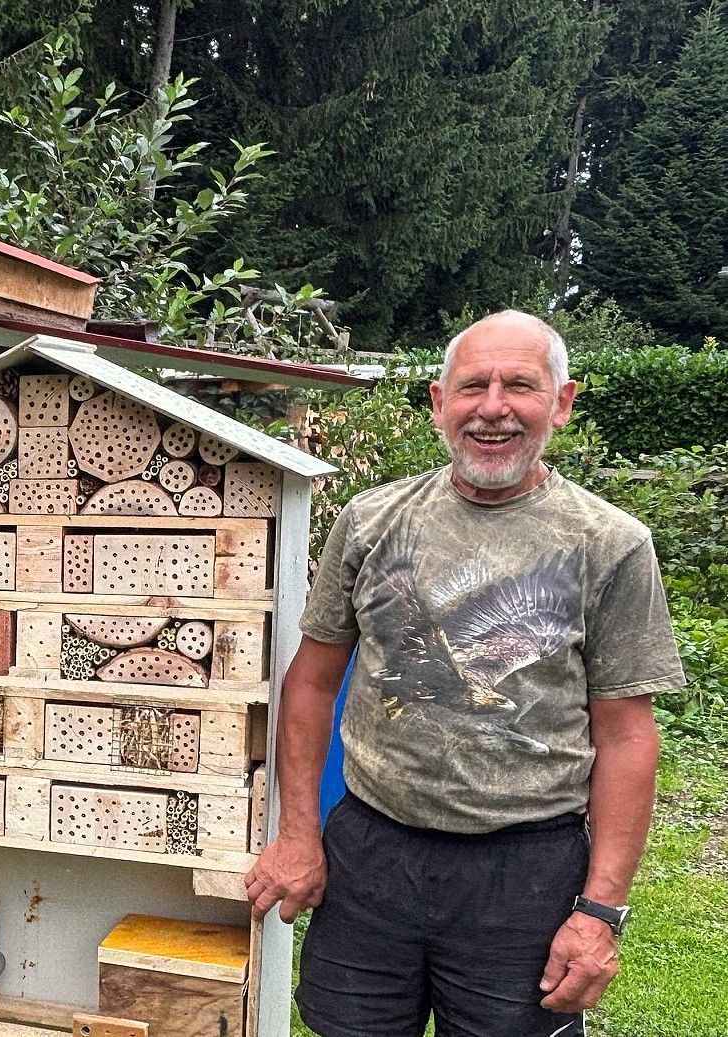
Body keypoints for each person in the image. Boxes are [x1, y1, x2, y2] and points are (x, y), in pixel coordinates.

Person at [245, 310, 684, 1036]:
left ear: (562, 402)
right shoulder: (370, 520)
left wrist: (599, 909)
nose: (491, 407)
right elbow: (313, 681)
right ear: (436, 402)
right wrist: (297, 834)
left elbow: (627, 735)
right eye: (471, 385)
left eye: (519, 385)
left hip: (525, 867)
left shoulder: (609, 544)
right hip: (371, 852)